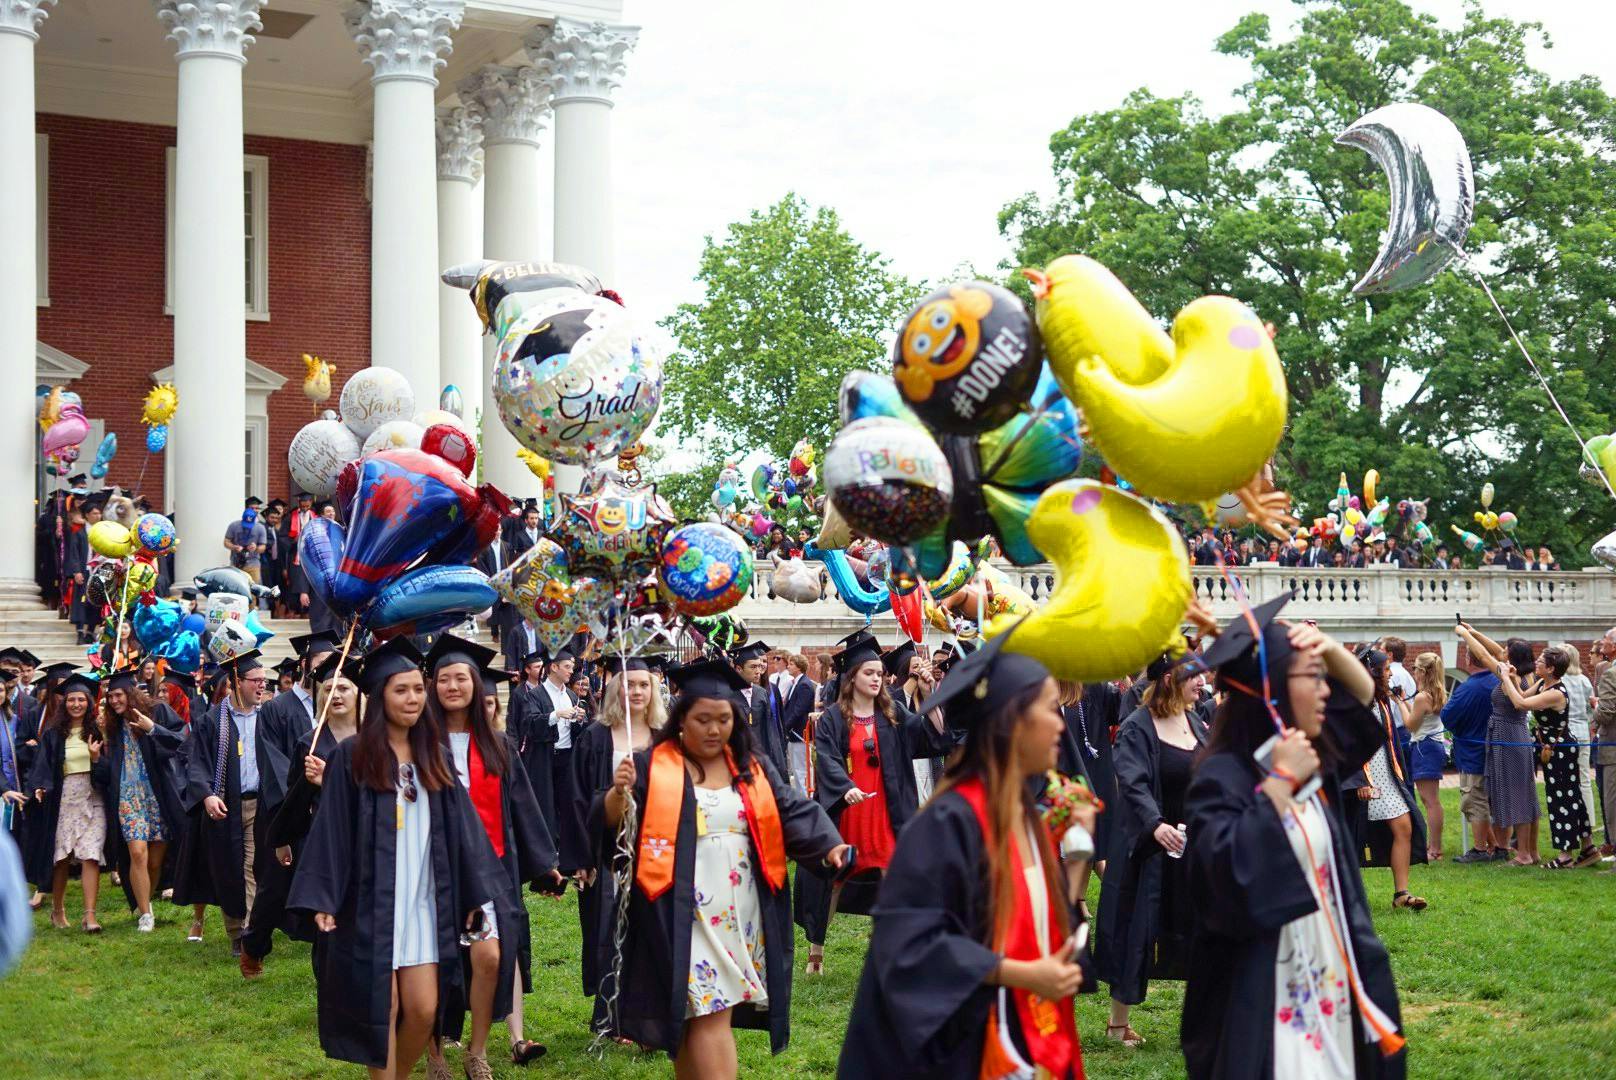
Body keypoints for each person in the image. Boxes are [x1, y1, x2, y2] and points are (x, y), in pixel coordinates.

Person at [838, 628, 1091, 1079]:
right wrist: (1022, 976)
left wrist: (1078, 855)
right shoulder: (946, 825)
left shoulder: (1023, 812)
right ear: (1010, 722)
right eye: (1048, 710)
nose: (1060, 724)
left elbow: (1048, 931)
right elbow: (912, 948)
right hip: (967, 1046)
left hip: (1028, 1033)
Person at [1181, 593, 1408, 1078]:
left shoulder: (1309, 759)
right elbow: (1222, 880)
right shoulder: (1223, 776)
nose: (1325, 690)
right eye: (1311, 677)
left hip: (1328, 970)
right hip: (1263, 989)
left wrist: (1325, 647)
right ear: (1272, 692)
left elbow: (1365, 701)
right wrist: (1279, 786)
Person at [598, 658, 847, 1077]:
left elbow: (791, 811)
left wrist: (830, 846)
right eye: (703, 719)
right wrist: (617, 793)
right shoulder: (653, 765)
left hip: (737, 911)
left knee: (703, 1013)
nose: (714, 729)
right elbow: (613, 830)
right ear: (681, 720)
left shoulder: (751, 767)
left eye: (724, 719)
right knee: (703, 1013)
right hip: (678, 908)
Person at [288, 638, 509, 1079]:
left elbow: (464, 833)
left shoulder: (434, 755)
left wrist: (471, 894)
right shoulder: (353, 756)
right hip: (370, 901)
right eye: (400, 690)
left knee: (425, 1011)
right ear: (379, 698)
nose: (412, 699)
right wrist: (324, 898)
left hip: (423, 899)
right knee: (381, 1007)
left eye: (416, 689)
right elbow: (332, 829)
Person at [422, 635, 563, 1076]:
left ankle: (477, 1049)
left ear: (476, 685)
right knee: (434, 962)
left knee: (490, 958)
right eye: (444, 678)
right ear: (434, 686)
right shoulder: (420, 744)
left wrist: (546, 864)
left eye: (461, 678)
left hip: (489, 870)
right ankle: (435, 1054)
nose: (453, 686)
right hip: (434, 868)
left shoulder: (498, 745)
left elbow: (523, 805)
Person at [799, 630, 955, 974]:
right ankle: (816, 952)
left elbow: (935, 739)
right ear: (852, 677)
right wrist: (843, 788)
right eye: (869, 673)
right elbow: (825, 759)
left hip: (888, 810)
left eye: (880, 674)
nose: (876, 679)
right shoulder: (834, 719)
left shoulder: (894, 712)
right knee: (835, 882)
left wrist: (929, 696)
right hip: (850, 812)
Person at [1095, 656, 1208, 1047]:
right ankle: (1117, 1023)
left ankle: (1205, 1017)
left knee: (1200, 925)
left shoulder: (1195, 722)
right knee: (1136, 926)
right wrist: (1155, 824)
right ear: (1168, 679)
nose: (1203, 681)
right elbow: (1133, 781)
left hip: (1191, 843)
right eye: (1195, 675)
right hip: (1149, 843)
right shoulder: (1137, 727)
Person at [171, 650, 290, 974]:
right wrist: (207, 795)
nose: (262, 686)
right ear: (237, 682)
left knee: (255, 867)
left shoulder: (270, 716)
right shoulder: (213, 721)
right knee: (228, 870)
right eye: (256, 681)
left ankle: (251, 934)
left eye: (265, 681)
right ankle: (236, 931)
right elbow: (195, 763)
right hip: (226, 806)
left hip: (261, 804)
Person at [568, 656, 666, 1037]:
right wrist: (582, 856)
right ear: (615, 689)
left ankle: (646, 1019)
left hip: (654, 845)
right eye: (628, 684)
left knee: (649, 928)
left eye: (643, 685)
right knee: (609, 928)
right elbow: (577, 798)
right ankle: (608, 1017)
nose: (636, 691)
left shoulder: (664, 736)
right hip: (606, 848)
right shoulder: (595, 736)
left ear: (653, 690)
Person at [98, 669, 186, 931]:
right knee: (137, 852)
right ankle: (146, 914)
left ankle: (144, 899)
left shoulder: (157, 711)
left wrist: (152, 729)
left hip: (157, 794)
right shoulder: (111, 727)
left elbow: (181, 741)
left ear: (131, 692)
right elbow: (106, 772)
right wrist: (98, 753)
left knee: (155, 861)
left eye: (118, 694)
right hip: (128, 795)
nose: (114, 700)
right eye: (110, 696)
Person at [1499, 645, 1596, 869]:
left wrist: (1504, 676)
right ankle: (1588, 847)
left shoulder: (1555, 693)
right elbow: (1523, 695)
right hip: (1553, 748)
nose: (1537, 664)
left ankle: (1565, 856)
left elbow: (1520, 704)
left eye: (1541, 662)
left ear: (1551, 668)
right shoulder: (1543, 684)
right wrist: (1513, 679)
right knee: (1572, 797)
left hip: (1560, 749)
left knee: (1562, 799)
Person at [24, 671, 107, 932]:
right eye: (71, 700)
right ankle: (57, 911)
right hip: (64, 798)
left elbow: (110, 769)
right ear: (64, 702)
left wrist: (96, 759)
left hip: (93, 797)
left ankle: (89, 916)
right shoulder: (53, 734)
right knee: (61, 857)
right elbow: (43, 767)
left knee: (91, 855)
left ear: (89, 702)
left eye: (81, 700)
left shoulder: (98, 731)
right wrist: (40, 787)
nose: (76, 704)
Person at [1343, 650, 1427, 907]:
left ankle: (1401, 894)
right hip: (1363, 777)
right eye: (1386, 668)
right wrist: (1359, 780)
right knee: (1352, 838)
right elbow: (1348, 742)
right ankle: (1345, 898)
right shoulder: (1355, 700)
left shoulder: (1380, 700)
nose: (1390, 673)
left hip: (1386, 775)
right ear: (1374, 671)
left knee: (1404, 828)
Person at [1456, 624, 1540, 865]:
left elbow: (1484, 656)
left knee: (1517, 795)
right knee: (1525, 793)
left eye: (1506, 651)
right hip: (1517, 734)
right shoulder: (1527, 674)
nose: (1501, 652)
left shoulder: (1508, 674)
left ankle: (1523, 853)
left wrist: (1463, 636)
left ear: (1511, 657)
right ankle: (1531, 851)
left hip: (1507, 737)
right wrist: (1473, 632)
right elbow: (1493, 649)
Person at [1057, 679, 1121, 910]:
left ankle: (1082, 901)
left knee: (1089, 846)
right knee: (1078, 848)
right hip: (1058, 781)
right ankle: (1078, 901)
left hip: (1090, 779)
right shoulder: (1044, 693)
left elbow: (1120, 709)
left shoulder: (1093, 691)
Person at [1441, 646, 1505, 863]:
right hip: (1499, 750)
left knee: (1474, 799)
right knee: (1492, 800)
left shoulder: (1470, 688)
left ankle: (1479, 849)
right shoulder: (1500, 681)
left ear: (1469, 659)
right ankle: (1497, 845)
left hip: (1473, 751)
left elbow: (1448, 717)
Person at [1403, 654, 1449, 861]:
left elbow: (1410, 725)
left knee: (1431, 801)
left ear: (1422, 672)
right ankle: (1433, 845)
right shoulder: (1437, 692)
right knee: (1431, 800)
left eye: (1415, 668)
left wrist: (1399, 702)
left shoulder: (1423, 697)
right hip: (1433, 745)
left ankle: (1435, 849)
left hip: (1424, 747)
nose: (1413, 672)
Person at [1554, 642, 1598, 836]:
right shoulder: (1584, 680)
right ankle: (1590, 819)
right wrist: (1588, 724)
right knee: (1585, 778)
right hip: (1583, 732)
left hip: (1566, 734)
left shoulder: (1559, 681)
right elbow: (1592, 709)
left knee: (1567, 780)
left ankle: (1573, 819)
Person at [730, 641, 790, 781]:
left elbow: (770, 731)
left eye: (759, 666)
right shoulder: (728, 695)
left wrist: (777, 764)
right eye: (753, 667)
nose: (758, 671)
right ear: (739, 669)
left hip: (760, 758)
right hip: (737, 759)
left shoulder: (761, 693)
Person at [223, 505, 269, 584]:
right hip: (236, 562)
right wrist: (234, 547)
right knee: (236, 587)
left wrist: (256, 548)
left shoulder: (260, 528)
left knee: (254, 588)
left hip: (253, 562)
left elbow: (263, 547)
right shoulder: (234, 525)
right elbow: (226, 542)